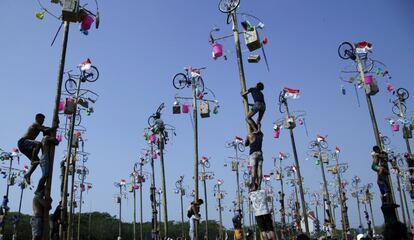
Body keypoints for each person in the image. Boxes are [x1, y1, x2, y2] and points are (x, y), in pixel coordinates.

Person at [17, 113, 55, 185]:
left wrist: (52, 128)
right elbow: (46, 130)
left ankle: (28, 175)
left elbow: (46, 129)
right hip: (23, 142)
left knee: (37, 161)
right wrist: (54, 127)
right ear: (38, 119)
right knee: (38, 144)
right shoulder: (35, 124)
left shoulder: (39, 126)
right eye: (42, 120)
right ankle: (33, 159)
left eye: (44, 120)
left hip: (26, 146)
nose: (43, 121)